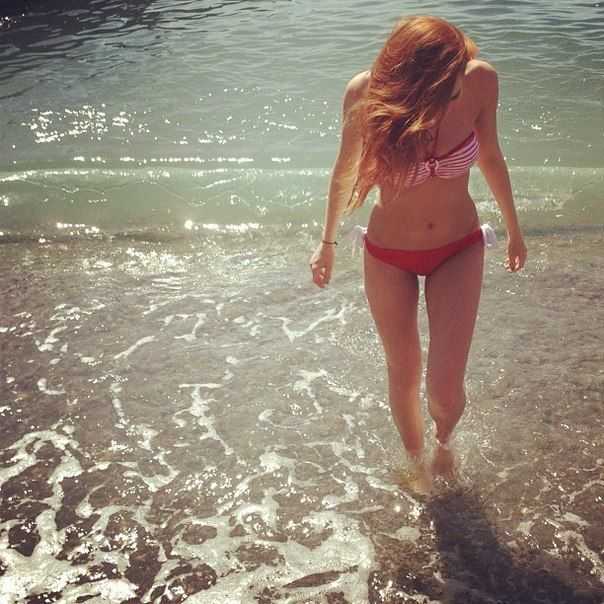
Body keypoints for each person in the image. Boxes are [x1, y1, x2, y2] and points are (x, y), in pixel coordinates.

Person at [308, 15, 527, 481]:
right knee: (403, 370)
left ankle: (444, 442)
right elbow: (344, 171)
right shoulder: (365, 95)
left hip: (458, 247)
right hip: (389, 255)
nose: (456, 89)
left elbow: (491, 155)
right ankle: (415, 463)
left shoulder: (480, 82)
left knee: (444, 391)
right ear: (419, 77)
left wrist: (514, 228)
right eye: (448, 82)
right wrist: (326, 243)